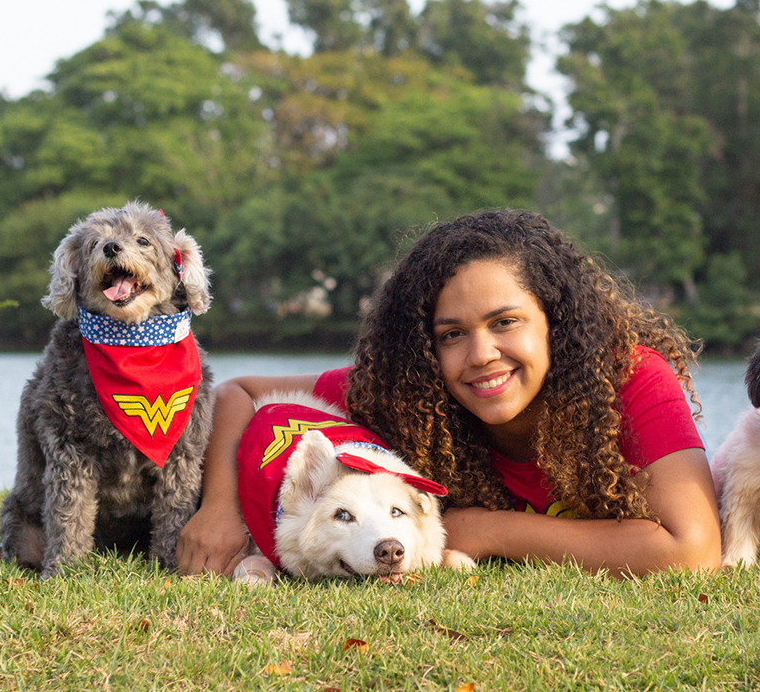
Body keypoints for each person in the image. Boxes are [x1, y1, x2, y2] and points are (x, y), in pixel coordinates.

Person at [177, 209, 721, 578]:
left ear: (554, 322)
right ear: (424, 349)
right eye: (452, 334)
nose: (481, 353)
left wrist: (487, 529)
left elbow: (693, 551)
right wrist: (221, 508)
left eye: (505, 322)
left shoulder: (630, 379)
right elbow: (241, 393)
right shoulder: (408, 392)